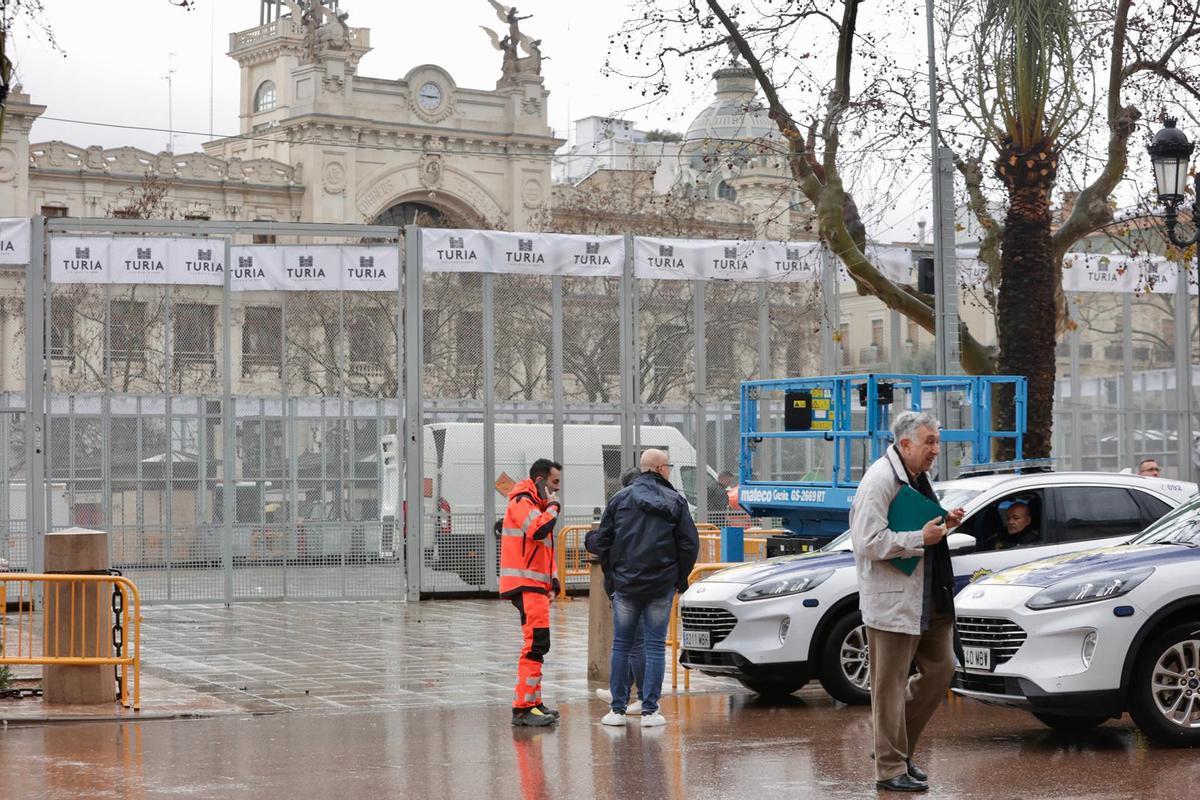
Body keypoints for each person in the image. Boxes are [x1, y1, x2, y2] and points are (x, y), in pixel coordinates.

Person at [849, 411, 965, 793]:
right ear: (906, 444)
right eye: (930, 441)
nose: (936, 449)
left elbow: (919, 528)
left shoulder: (917, 478)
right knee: (889, 687)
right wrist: (920, 537)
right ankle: (889, 766)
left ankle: (894, 749)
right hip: (893, 600)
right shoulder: (880, 480)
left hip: (930, 597)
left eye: (937, 440)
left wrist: (943, 524)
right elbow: (867, 541)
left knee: (940, 671)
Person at [589, 448, 699, 728]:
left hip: (626, 584)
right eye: (669, 466)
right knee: (654, 647)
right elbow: (689, 544)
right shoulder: (676, 501)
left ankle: (617, 710)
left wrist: (614, 576)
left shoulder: (620, 498)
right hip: (660, 584)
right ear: (661, 468)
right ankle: (650, 710)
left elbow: (603, 541)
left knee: (622, 645)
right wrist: (679, 578)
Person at [500, 458, 563, 727]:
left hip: (535, 585)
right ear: (540, 481)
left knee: (538, 644)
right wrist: (553, 507)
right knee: (536, 644)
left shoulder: (533, 504)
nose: (556, 490)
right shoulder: (522, 501)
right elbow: (538, 531)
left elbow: (544, 549)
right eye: (554, 483)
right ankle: (524, 708)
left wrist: (555, 580)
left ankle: (533, 703)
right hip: (526, 585)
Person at [589, 469, 645, 714]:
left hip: (625, 582)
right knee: (642, 643)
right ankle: (625, 691)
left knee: (631, 644)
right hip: (655, 582)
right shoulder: (666, 499)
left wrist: (590, 538)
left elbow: (603, 542)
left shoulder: (620, 503)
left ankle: (639, 698)